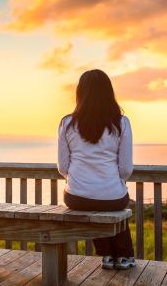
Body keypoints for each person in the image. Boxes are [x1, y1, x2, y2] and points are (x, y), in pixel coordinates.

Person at [57, 69, 136, 270]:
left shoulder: (67, 123)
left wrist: (79, 180)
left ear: (80, 93)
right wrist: (112, 183)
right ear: (109, 93)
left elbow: (63, 167)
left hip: (76, 197)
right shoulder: (121, 123)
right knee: (112, 203)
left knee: (94, 204)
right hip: (113, 196)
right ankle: (124, 256)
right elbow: (126, 168)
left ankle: (107, 255)